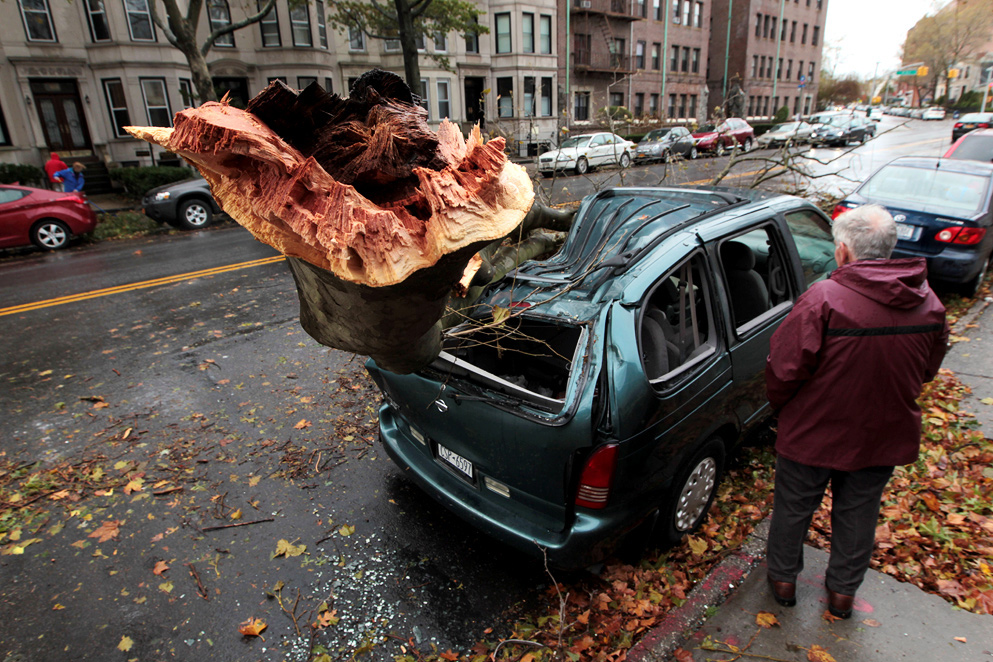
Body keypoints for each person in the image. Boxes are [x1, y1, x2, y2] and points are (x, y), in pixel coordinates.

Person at [764, 204, 948, 619]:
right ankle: (843, 594)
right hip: (883, 433)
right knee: (859, 512)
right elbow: (927, 369)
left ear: (843, 251)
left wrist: (784, 409)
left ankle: (783, 581)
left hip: (814, 432)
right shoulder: (928, 303)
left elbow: (785, 369)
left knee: (794, 507)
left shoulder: (824, 298)